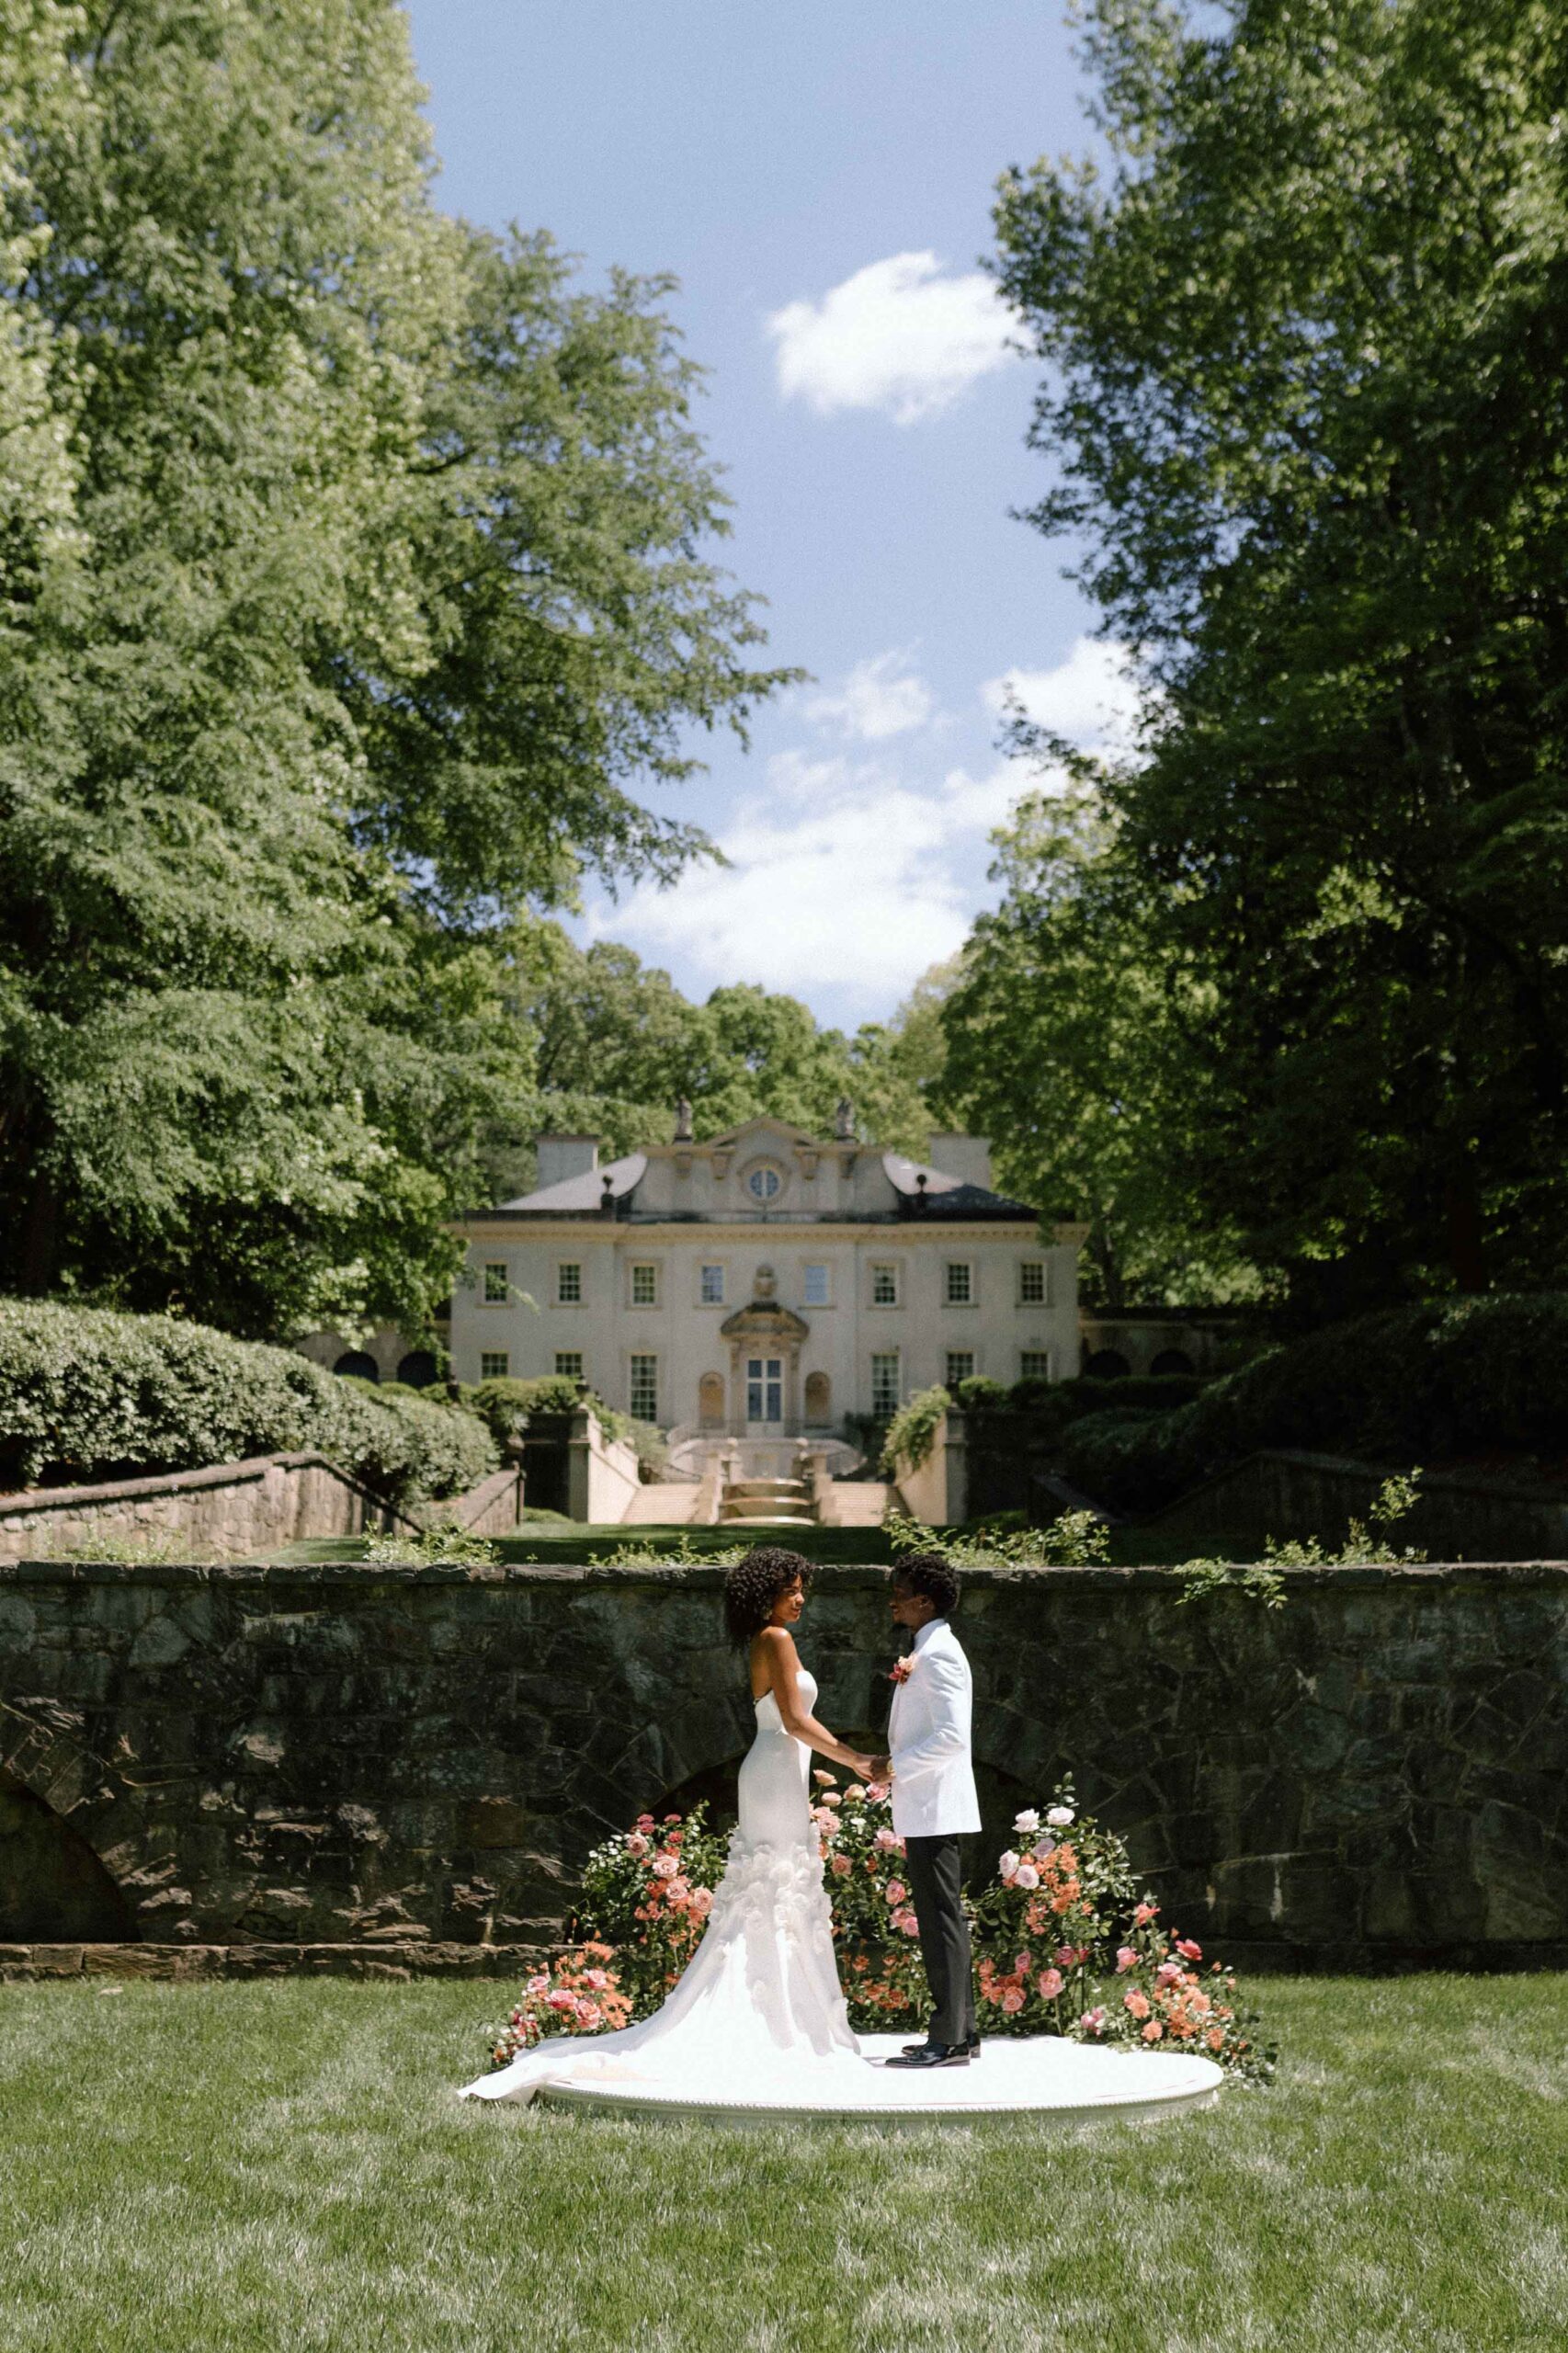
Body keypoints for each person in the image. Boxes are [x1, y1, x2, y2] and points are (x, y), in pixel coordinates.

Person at [460, 1548, 878, 2106]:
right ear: (765, 1595)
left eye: (804, 1589)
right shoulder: (775, 1638)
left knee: (784, 1893)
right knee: (772, 1893)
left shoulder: (768, 1637)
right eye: (791, 1590)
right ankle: (776, 2020)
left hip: (779, 1772)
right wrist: (857, 1761)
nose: (801, 1599)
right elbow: (795, 1720)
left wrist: (840, 1758)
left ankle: (787, 2013)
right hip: (775, 1776)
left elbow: (792, 1723)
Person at [877, 1553, 982, 2070]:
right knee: (942, 1917)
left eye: (900, 1590)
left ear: (924, 1600)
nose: (893, 1598)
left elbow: (950, 1738)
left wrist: (892, 1768)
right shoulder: (929, 1647)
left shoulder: (939, 1654)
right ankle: (963, 2032)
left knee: (941, 1920)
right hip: (928, 1805)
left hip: (934, 1804)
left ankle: (948, 2040)